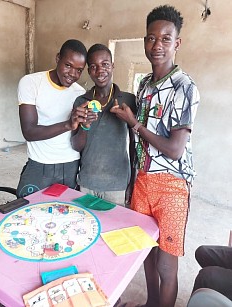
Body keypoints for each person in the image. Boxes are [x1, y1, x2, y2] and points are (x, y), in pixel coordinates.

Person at [110, 5, 200, 307]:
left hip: (172, 187)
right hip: (142, 181)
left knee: (166, 263)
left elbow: (174, 149)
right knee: (145, 251)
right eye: (151, 38)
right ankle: (150, 303)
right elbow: (141, 139)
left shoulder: (185, 88)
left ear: (177, 43)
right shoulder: (145, 85)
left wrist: (133, 123)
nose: (156, 45)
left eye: (165, 39)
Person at [16, 39, 92, 198]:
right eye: (68, 65)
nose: (72, 74)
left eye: (79, 70)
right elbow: (29, 132)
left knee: (65, 216)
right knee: (27, 213)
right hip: (39, 163)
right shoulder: (31, 83)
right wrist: (67, 125)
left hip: (70, 165)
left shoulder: (80, 93)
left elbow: (79, 138)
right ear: (58, 58)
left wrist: (84, 125)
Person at [71, 44, 136, 206]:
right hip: (87, 182)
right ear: (88, 71)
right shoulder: (82, 102)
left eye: (105, 64)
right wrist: (85, 126)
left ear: (113, 66)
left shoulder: (128, 100)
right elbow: (76, 146)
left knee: (113, 230)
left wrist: (132, 182)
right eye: (93, 66)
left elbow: (134, 146)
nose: (100, 70)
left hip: (117, 184)